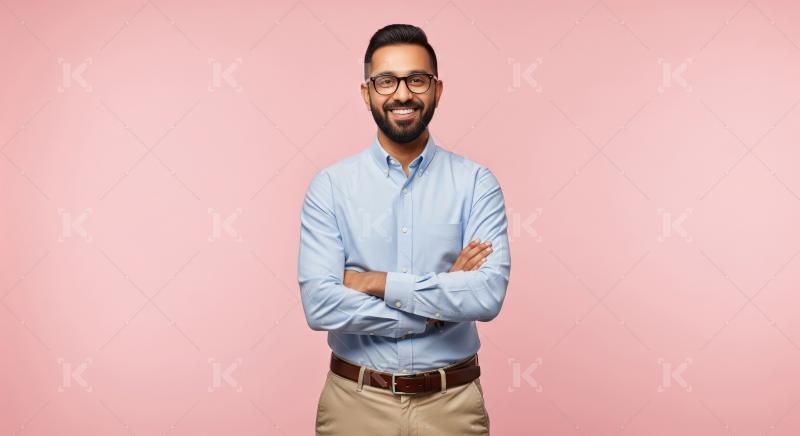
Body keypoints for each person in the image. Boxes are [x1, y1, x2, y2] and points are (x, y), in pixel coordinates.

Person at [297, 23, 511, 436]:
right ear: (367, 93)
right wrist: (438, 303)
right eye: (385, 81)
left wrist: (375, 281)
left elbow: (486, 295)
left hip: (452, 406)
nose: (402, 94)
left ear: (437, 90)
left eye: (417, 79)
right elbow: (321, 305)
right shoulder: (331, 186)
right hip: (354, 406)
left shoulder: (475, 183)